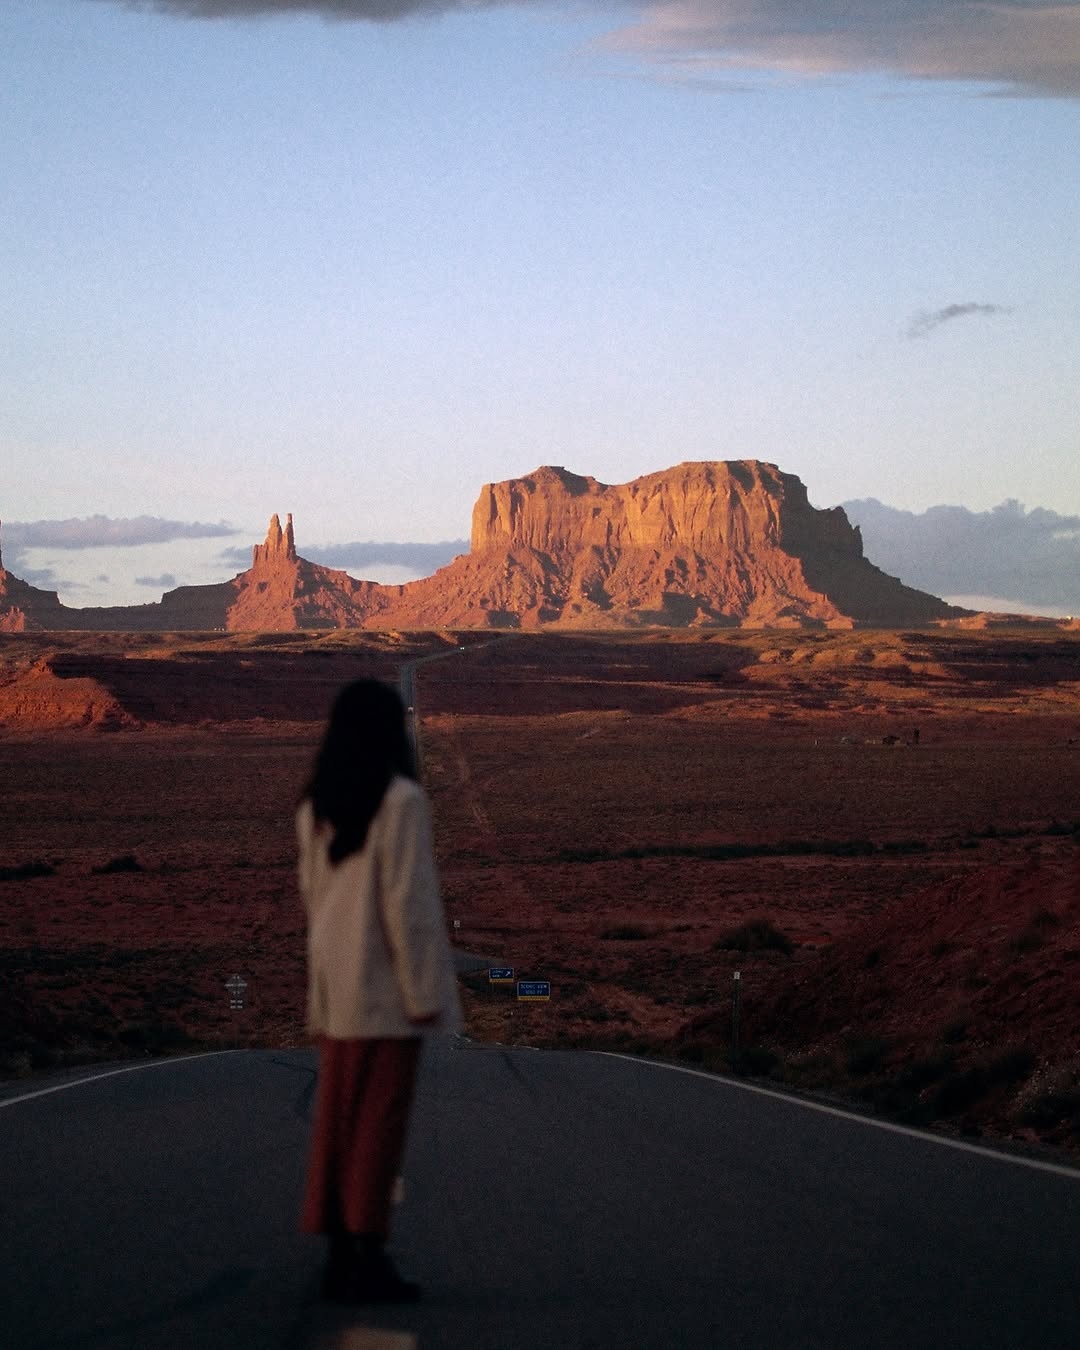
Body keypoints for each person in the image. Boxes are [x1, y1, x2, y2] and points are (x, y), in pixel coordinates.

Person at [297, 678, 462, 1304]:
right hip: (386, 996)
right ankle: (367, 1251)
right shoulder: (401, 801)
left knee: (336, 1125)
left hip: (337, 994)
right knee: (379, 1126)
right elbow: (409, 906)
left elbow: (314, 906)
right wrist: (426, 993)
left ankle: (339, 1251)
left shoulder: (314, 806)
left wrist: (317, 996)